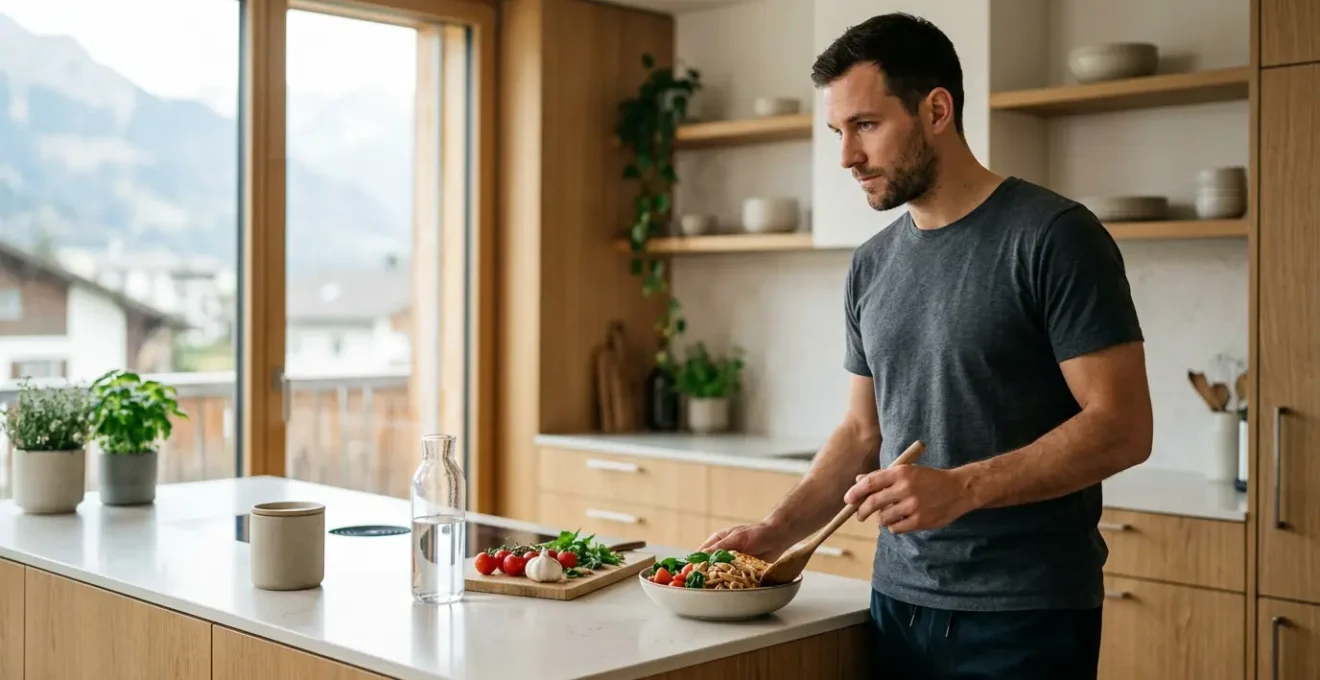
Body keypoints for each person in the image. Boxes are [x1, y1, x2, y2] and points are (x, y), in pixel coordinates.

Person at [700, 12, 1153, 679]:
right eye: (838, 132)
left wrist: (962, 488)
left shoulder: (1054, 237)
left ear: (936, 109)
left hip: (1025, 618)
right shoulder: (871, 264)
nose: (848, 157)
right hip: (897, 608)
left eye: (866, 125)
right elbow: (862, 431)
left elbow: (1123, 426)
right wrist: (776, 532)